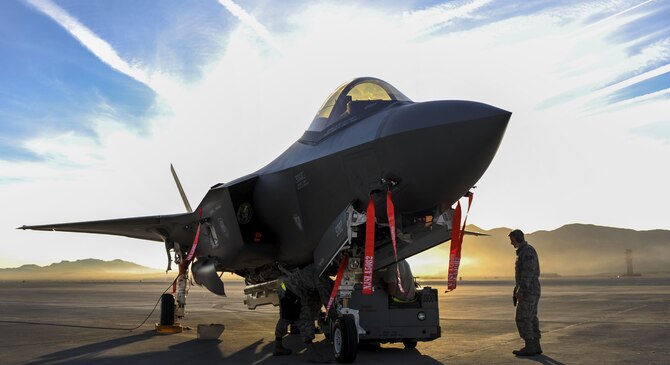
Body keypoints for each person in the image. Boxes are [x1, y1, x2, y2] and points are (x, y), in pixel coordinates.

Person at [278, 264, 333, 363]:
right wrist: (333, 313)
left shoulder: (319, 267)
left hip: (286, 288)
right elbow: (326, 298)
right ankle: (311, 353)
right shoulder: (321, 274)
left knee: (286, 318)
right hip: (292, 291)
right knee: (304, 318)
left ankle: (278, 347)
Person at [509, 229, 542, 356]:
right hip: (531, 289)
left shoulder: (527, 252)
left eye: (512, 240)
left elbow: (527, 273)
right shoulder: (524, 251)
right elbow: (522, 276)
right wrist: (516, 290)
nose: (511, 243)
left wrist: (522, 290)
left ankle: (529, 346)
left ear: (517, 239)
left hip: (529, 291)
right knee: (531, 317)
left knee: (523, 318)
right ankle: (536, 345)